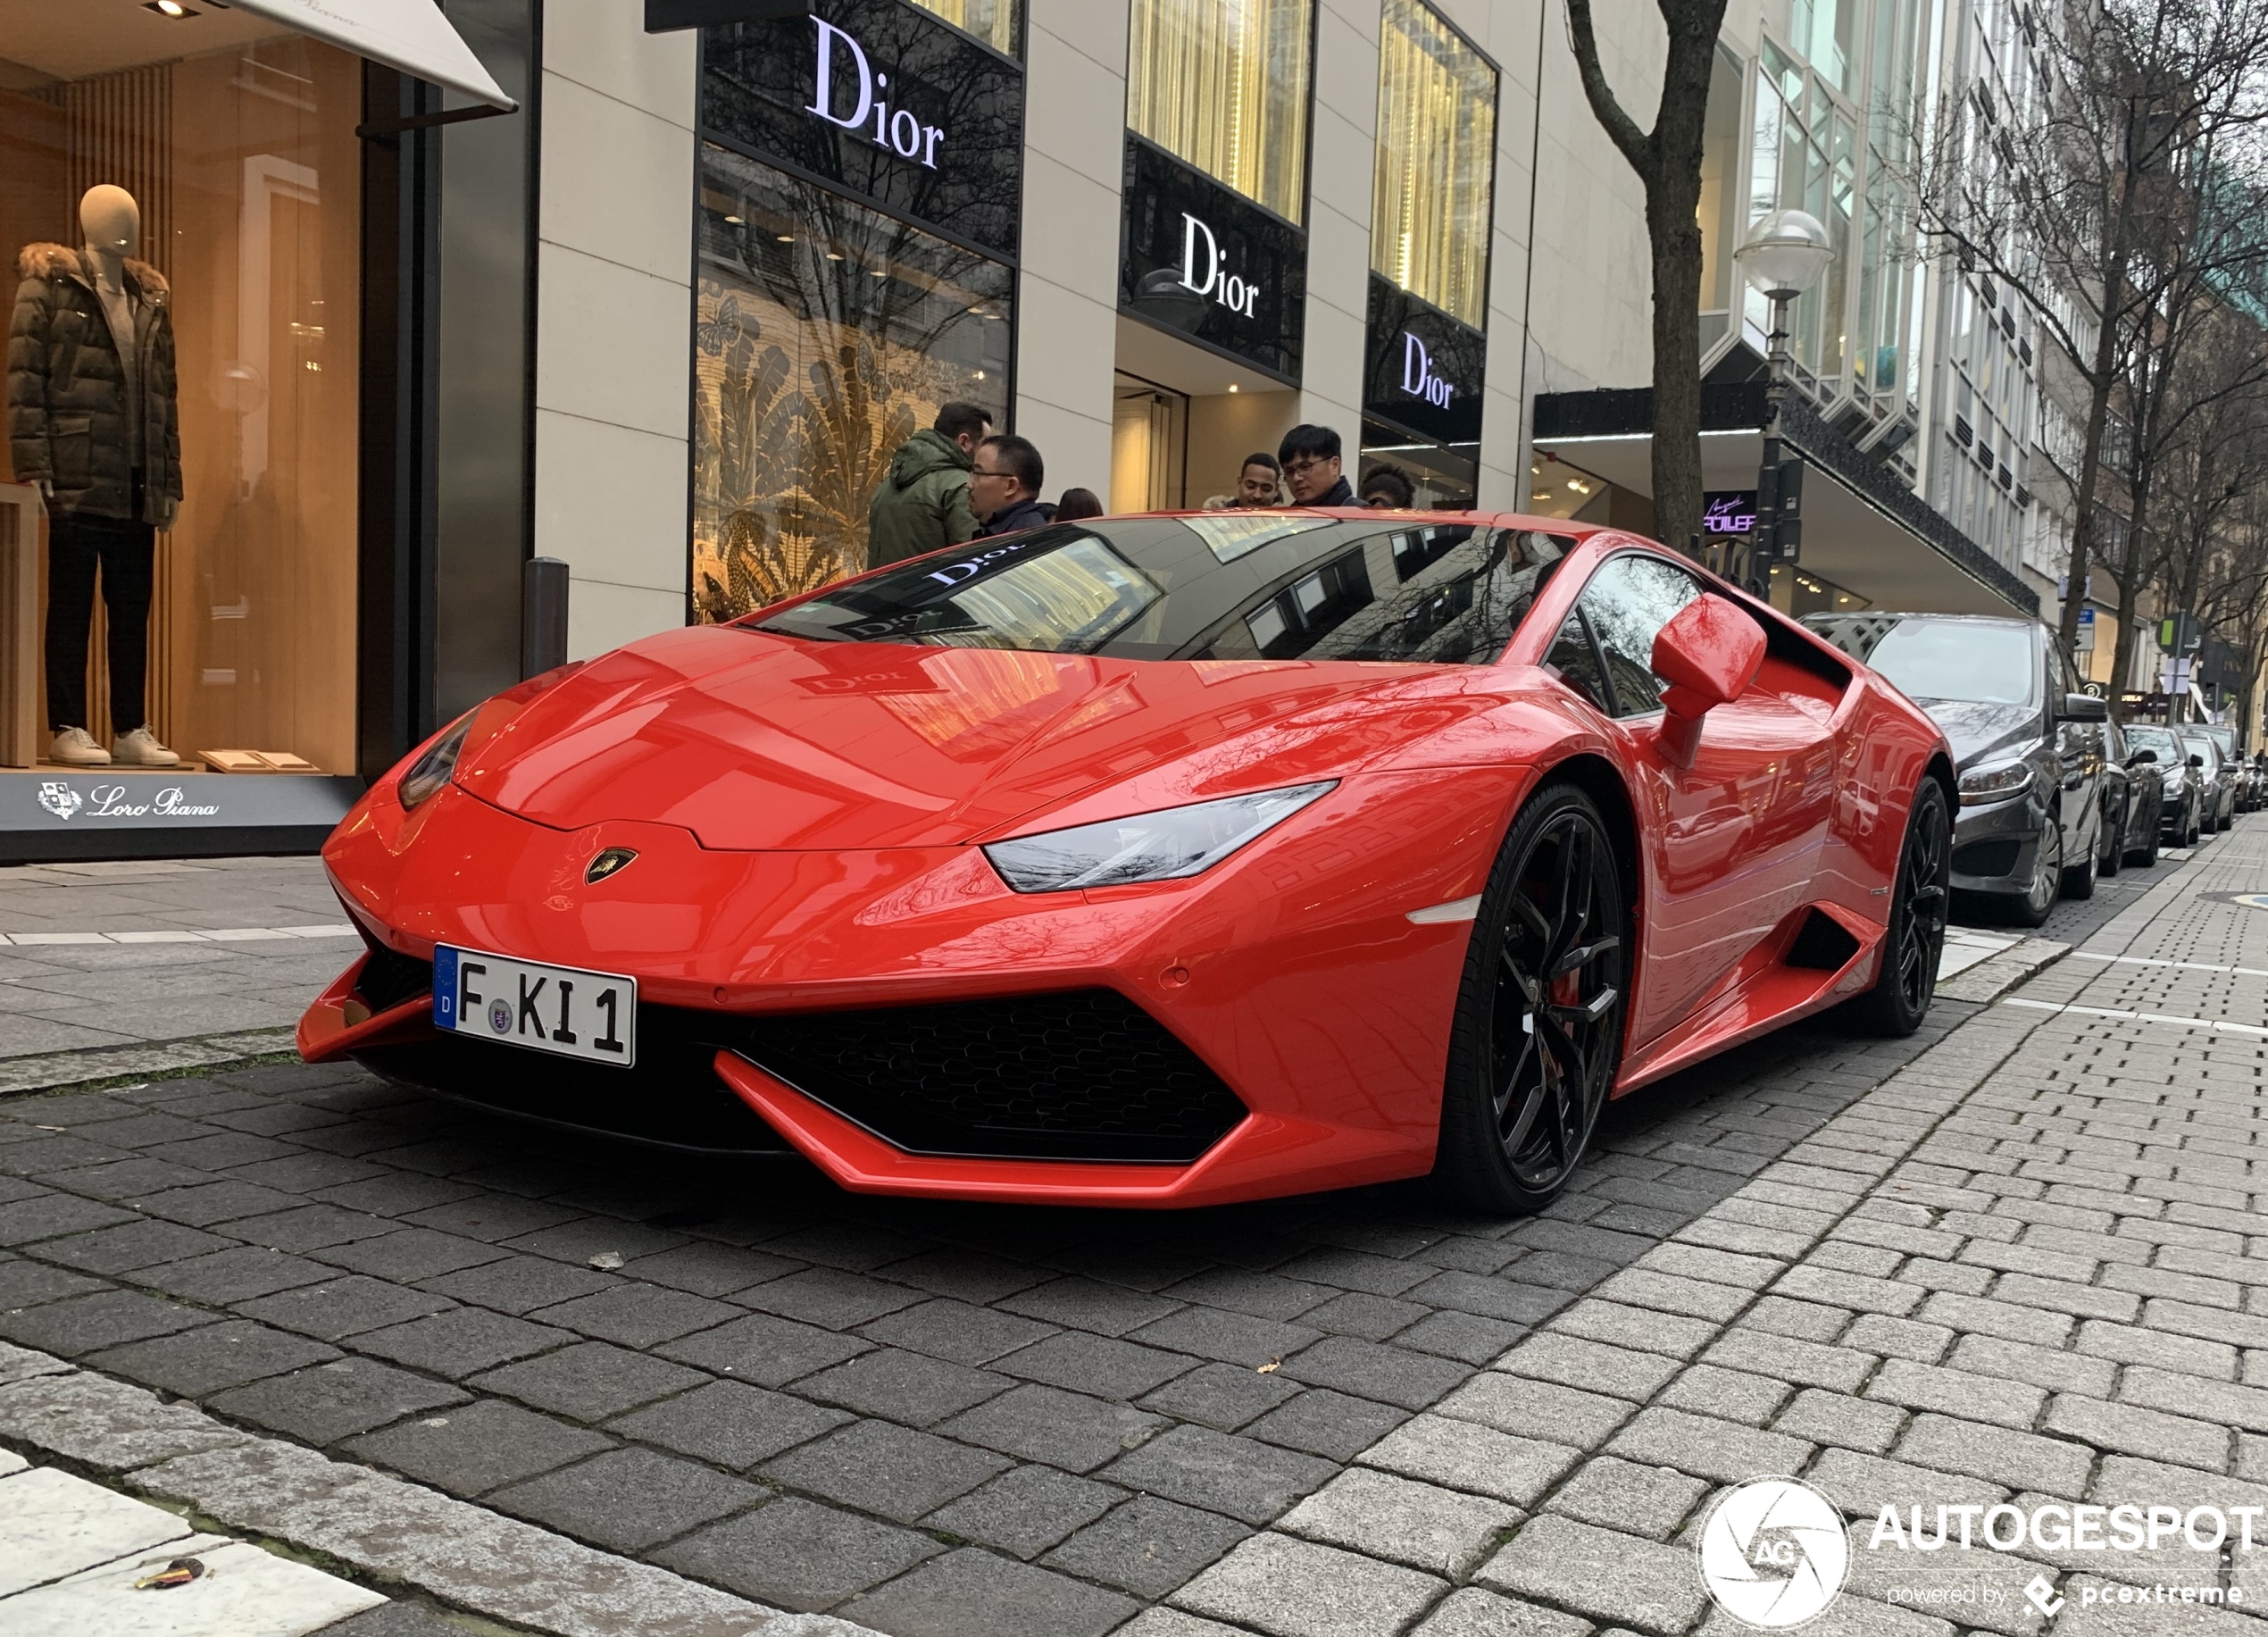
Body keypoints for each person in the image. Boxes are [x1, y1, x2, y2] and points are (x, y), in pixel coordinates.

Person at [867, 400, 991, 569]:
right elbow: (972, 560)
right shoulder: (961, 485)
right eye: (985, 444)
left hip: (879, 592)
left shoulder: (887, 485)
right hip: (932, 593)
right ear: (964, 442)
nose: (988, 452)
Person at [971, 433, 1053, 537]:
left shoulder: (1024, 540)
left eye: (977, 474)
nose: (969, 485)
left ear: (1011, 486)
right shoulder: (999, 531)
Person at [1279, 424, 1356, 506]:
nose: (1296, 478)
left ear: (1334, 465)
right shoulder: (1289, 517)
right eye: (1289, 472)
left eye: (1305, 467)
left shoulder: (1360, 515)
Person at [1202, 452, 1285, 510]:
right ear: (1239, 483)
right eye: (1250, 486)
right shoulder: (1213, 522)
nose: (1257, 495)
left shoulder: (1287, 527)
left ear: (1276, 490)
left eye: (1266, 489)